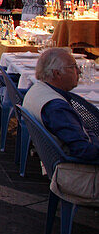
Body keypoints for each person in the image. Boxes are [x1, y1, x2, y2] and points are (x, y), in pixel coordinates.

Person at [20, 48, 99, 205]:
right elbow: (82, 150)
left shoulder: (39, 90)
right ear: (57, 74)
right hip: (80, 177)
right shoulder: (56, 107)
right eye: (73, 67)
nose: (78, 72)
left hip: (63, 167)